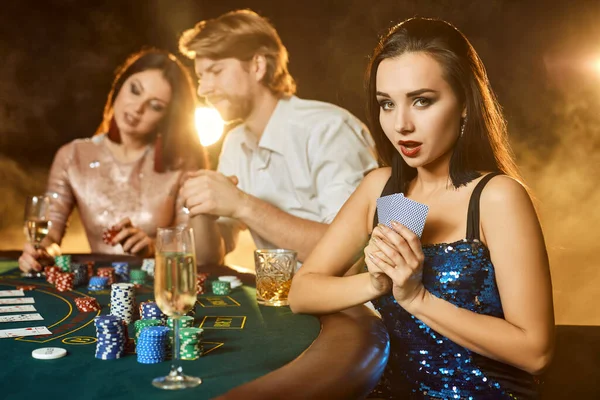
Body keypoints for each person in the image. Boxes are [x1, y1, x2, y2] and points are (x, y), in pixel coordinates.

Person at [288, 17, 555, 398]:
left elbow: (536, 352)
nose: (401, 124)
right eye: (386, 104)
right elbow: (302, 293)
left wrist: (416, 297)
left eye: (422, 101)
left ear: (464, 103)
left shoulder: (496, 196)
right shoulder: (382, 190)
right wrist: (376, 282)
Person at [177, 10, 378, 264]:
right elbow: (210, 256)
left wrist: (242, 204)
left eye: (215, 71)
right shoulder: (235, 143)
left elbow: (351, 252)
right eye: (201, 77)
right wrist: (201, 203)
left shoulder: (328, 128)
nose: (203, 89)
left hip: (344, 303)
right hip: (278, 300)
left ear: (257, 66)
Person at [19, 48, 211, 273]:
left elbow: (192, 248)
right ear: (119, 88)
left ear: (167, 118)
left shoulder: (181, 164)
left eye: (155, 106)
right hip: (96, 284)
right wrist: (39, 253)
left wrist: (153, 247)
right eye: (135, 90)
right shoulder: (73, 155)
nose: (137, 108)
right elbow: (50, 235)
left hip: (158, 287)